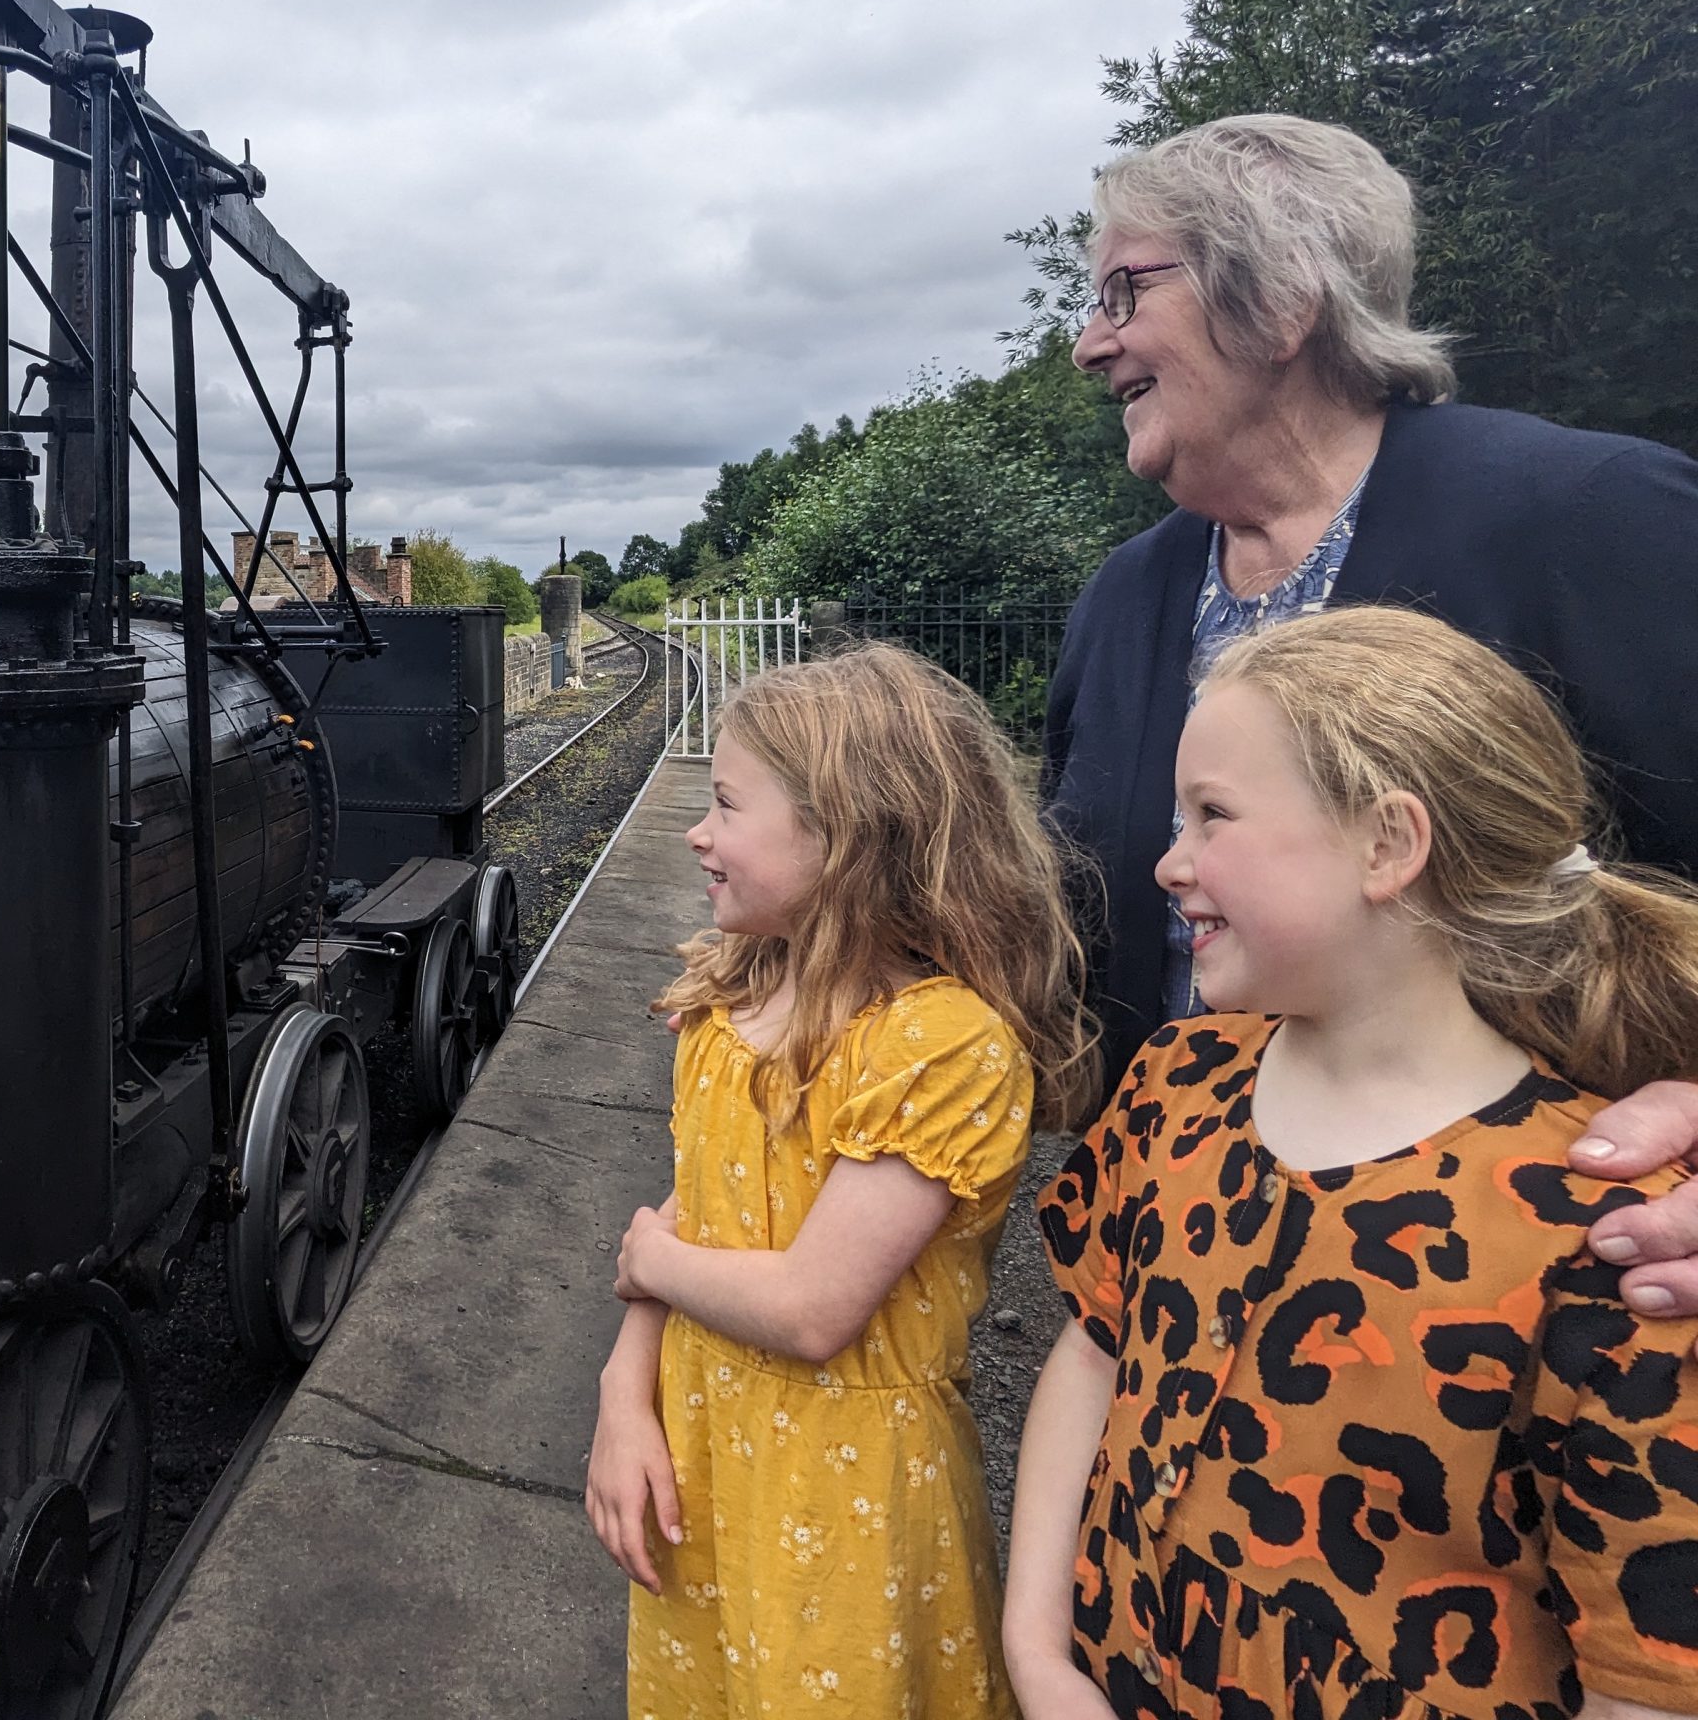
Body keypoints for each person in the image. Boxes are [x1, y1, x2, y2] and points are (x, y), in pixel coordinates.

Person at [1042, 113, 1698, 1316]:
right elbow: (1086, 933)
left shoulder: (1592, 517)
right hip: (1186, 1298)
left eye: (1126, 290)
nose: (1091, 344)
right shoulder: (1126, 597)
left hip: (1519, 1330)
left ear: (1280, 299)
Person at [1005, 607, 1698, 1720]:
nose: (1169, 863)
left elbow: (1645, 1675)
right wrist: (1040, 1657)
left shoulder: (1609, 1232)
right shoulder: (1177, 1080)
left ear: (1387, 845)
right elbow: (1096, 1350)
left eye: (1212, 815)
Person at [586, 645, 1099, 1718]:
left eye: (727, 806)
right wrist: (621, 1399)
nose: (698, 833)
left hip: (846, 1493)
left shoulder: (941, 1045)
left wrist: (651, 1263)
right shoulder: (738, 996)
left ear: (847, 835)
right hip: (704, 1461)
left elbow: (812, 1309)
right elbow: (705, 1212)